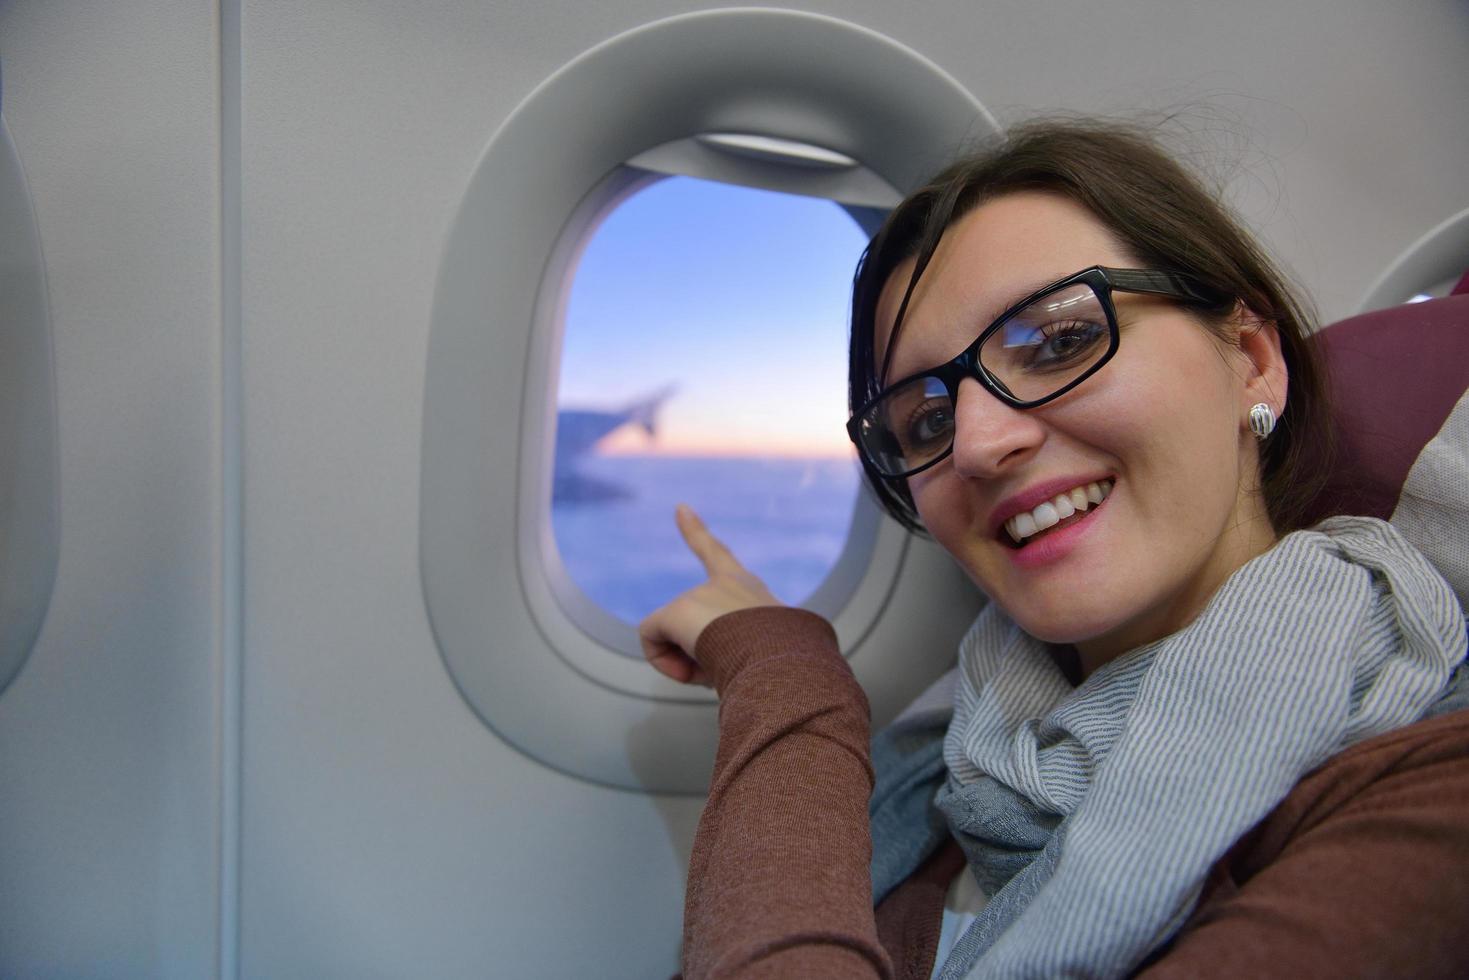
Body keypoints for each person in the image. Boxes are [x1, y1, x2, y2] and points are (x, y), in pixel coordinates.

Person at [638, 120, 1469, 979]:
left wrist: (782, 673)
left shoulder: (1427, 793)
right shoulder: (948, 769)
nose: (974, 444)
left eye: (1058, 341)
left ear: (1253, 361)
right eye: (924, 419)